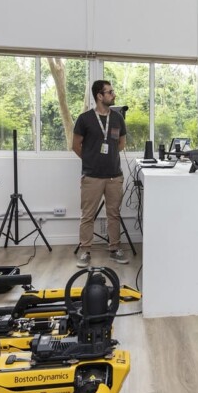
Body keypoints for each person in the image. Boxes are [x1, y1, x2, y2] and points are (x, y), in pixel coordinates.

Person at [72, 80, 128, 268]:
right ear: (99, 96)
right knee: (87, 215)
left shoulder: (118, 118)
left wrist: (108, 158)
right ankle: (85, 251)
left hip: (114, 176)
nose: (114, 94)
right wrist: (90, 160)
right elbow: (75, 145)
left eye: (113, 91)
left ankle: (114, 249)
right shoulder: (85, 118)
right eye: (110, 92)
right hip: (92, 176)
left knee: (114, 214)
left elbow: (121, 144)